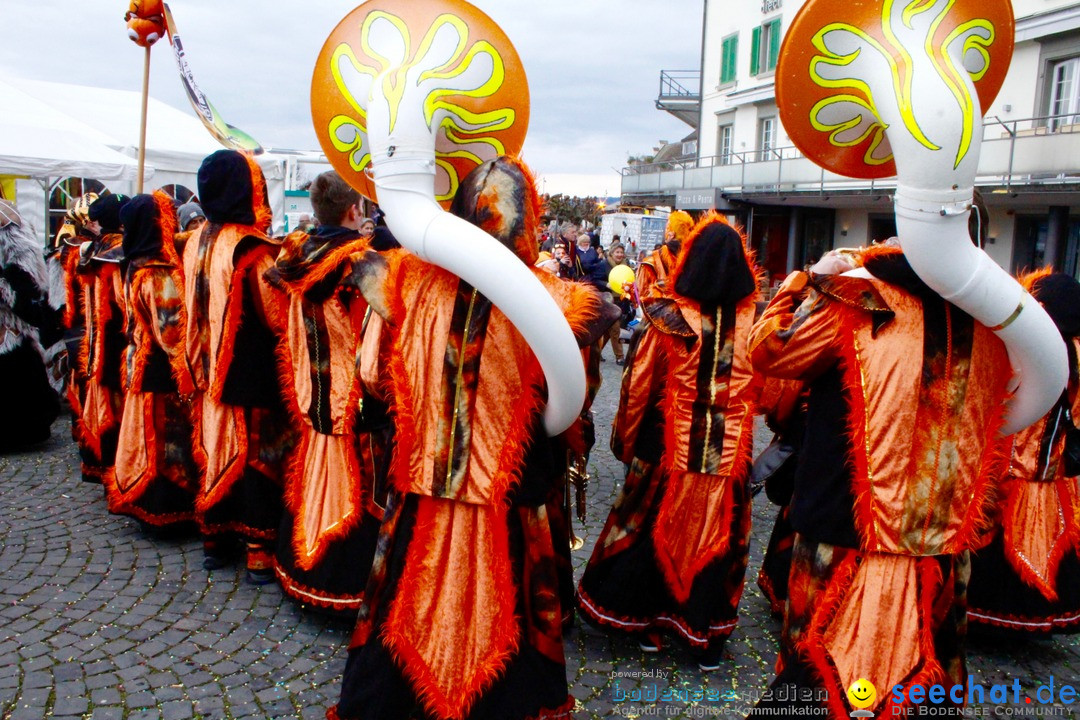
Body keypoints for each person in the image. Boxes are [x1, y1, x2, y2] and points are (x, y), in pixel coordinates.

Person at [331, 156, 613, 720]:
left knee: (398, 622)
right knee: (512, 641)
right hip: (510, 506)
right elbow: (575, 405)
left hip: (421, 491)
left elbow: (370, 376)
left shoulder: (401, 279)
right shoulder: (562, 303)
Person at [747, 242, 1012, 717]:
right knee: (927, 676)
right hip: (942, 542)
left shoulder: (853, 302)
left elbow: (768, 351)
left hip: (839, 529)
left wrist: (805, 280)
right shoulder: (997, 323)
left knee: (813, 673)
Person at [577, 214, 759, 670]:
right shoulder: (755, 321)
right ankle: (706, 638)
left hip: (666, 451)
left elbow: (639, 389)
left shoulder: (668, 318)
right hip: (728, 460)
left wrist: (625, 444)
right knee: (717, 544)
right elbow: (769, 387)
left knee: (650, 535)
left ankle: (653, 627)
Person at [266, 171, 385, 611]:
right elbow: (374, 349)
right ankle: (344, 584)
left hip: (312, 394)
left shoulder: (295, 255)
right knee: (359, 491)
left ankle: (301, 568)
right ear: (354, 210)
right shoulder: (362, 265)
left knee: (312, 479)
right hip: (355, 403)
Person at [183, 149, 292, 583]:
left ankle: (215, 542)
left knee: (215, 452)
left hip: (207, 371)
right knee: (256, 461)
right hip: (249, 375)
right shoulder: (252, 250)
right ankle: (258, 554)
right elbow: (277, 317)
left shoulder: (196, 241)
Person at [967, 270, 1080, 634]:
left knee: (999, 546)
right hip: (1050, 472)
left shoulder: (1027, 346)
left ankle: (989, 617)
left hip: (1013, 466)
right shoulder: (1072, 352)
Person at [108, 192, 198, 529]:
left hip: (138, 362)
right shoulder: (156, 275)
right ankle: (166, 511)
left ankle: (149, 502)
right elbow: (171, 333)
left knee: (147, 438)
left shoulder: (130, 264)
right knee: (163, 442)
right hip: (160, 370)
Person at [77, 193, 131, 484]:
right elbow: (125, 300)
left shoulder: (92, 248)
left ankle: (98, 458)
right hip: (115, 334)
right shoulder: (118, 251)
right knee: (115, 398)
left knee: (102, 394)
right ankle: (112, 460)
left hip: (98, 333)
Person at [0, 200, 61, 450]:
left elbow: (28, 275)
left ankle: (19, 432)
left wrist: (6, 287)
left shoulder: (9, 220)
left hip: (9, 322)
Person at [636, 210, 692, 303]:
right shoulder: (696, 257)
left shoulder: (652, 259)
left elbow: (641, 292)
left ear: (671, 234)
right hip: (690, 313)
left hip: (659, 314)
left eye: (666, 228)